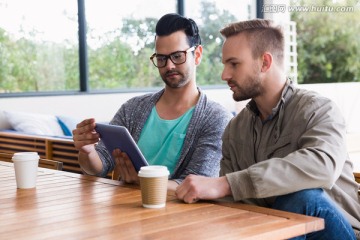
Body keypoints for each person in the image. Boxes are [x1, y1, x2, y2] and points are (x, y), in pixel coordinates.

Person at [175, 19, 360, 239]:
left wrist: (227, 184)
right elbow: (232, 202)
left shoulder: (318, 110)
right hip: (268, 231)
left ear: (265, 62)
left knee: (301, 199)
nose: (224, 75)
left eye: (234, 64)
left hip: (338, 232)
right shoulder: (235, 129)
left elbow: (323, 166)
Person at [72, 13, 233, 191]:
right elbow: (98, 167)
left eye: (178, 56)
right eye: (162, 58)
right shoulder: (132, 109)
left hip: (181, 216)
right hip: (124, 211)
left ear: (197, 55)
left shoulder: (216, 118)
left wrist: (145, 182)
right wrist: (87, 151)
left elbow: (198, 184)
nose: (169, 66)